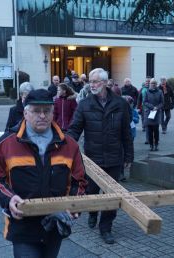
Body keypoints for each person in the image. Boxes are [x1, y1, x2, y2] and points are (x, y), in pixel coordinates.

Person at [0, 89, 87, 258]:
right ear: (25, 113)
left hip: (55, 224)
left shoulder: (69, 144)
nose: (42, 116)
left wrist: (74, 204)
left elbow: (80, 181)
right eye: (36, 111)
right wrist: (9, 198)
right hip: (22, 225)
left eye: (47, 111)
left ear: (53, 113)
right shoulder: (7, 143)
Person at [68, 68, 133, 244]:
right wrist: (65, 147)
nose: (92, 84)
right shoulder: (85, 104)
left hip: (114, 158)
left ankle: (106, 228)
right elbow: (75, 129)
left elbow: (126, 132)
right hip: (92, 159)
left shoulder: (120, 104)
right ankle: (92, 212)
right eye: (90, 81)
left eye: (96, 81)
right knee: (91, 191)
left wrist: (129, 156)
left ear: (104, 82)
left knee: (111, 195)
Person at [144, 78, 164, 151]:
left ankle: (156, 144)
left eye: (154, 83)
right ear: (150, 84)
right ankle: (151, 145)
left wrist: (157, 107)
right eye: (152, 83)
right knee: (149, 131)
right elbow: (145, 102)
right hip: (149, 113)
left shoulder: (160, 92)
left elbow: (162, 103)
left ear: (156, 84)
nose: (153, 85)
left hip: (157, 113)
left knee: (156, 131)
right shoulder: (147, 91)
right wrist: (152, 107)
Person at [137, 76, 151, 142]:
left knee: (151, 120)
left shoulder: (154, 89)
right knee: (144, 118)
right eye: (147, 81)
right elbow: (139, 98)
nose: (148, 83)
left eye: (149, 81)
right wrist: (138, 107)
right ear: (145, 82)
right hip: (143, 106)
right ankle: (144, 126)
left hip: (152, 108)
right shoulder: (142, 89)